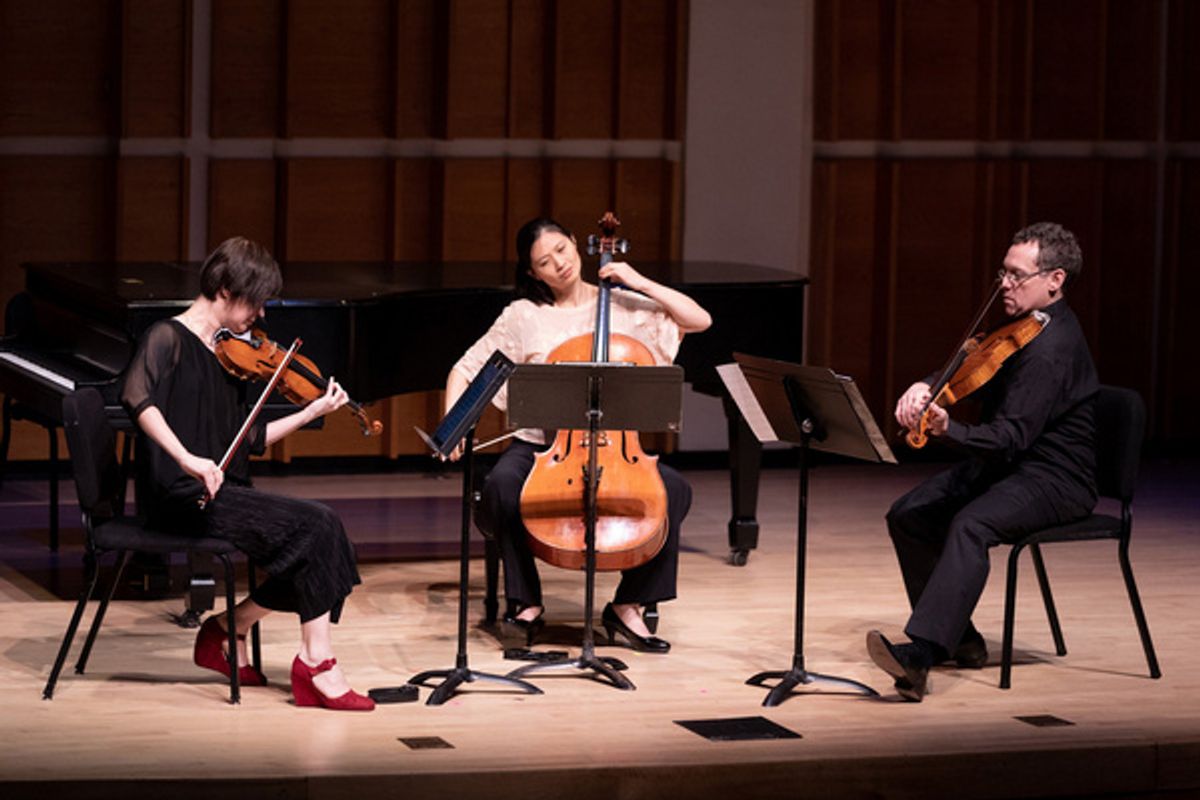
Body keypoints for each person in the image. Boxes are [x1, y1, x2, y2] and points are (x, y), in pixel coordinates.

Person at [120, 236, 374, 711]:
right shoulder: (166, 337)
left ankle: (230, 628)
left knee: (327, 539)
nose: (259, 315)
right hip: (180, 496)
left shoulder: (230, 356)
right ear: (223, 289)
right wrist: (187, 458)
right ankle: (315, 664)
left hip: (225, 492)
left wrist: (310, 411)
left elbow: (251, 438)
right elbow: (137, 399)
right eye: (254, 302)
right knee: (318, 526)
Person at [444, 217, 712, 653]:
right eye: (544, 262)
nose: (559, 264)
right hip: (542, 446)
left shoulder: (624, 304)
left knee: (675, 492)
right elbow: (465, 369)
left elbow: (699, 320)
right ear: (533, 273)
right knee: (501, 486)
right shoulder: (524, 316)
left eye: (561, 250)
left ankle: (628, 605)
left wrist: (638, 281)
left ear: (575, 244)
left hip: (616, 448)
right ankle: (526, 603)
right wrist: (454, 423)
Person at [867, 222, 1099, 701]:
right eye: (1003, 272)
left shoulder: (1051, 350)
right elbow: (976, 365)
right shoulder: (1024, 328)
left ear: (1055, 280)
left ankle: (922, 653)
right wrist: (927, 386)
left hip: (1056, 478)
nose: (1004, 285)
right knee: (909, 514)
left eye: (1017, 276)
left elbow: (1011, 438)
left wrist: (948, 429)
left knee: (971, 525)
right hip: (1013, 467)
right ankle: (963, 642)